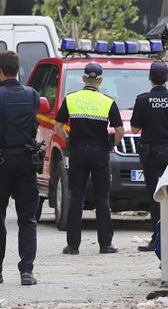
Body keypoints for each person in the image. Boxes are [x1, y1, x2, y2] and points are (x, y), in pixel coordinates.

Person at [0, 50, 41, 287]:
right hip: (27, 162)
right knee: (27, 219)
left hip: (2, 163)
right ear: (18, 70)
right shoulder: (32, 94)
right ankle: (26, 271)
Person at [56, 60, 124, 255]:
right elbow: (120, 131)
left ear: (83, 78)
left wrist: (69, 142)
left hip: (77, 151)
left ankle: (73, 246)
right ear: (100, 81)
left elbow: (58, 127)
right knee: (102, 198)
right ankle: (105, 244)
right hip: (99, 152)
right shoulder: (108, 102)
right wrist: (110, 145)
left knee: (76, 197)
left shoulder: (71, 99)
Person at [129, 60, 168, 257]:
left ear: (150, 78)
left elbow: (134, 129)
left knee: (156, 197)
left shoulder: (142, 100)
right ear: (167, 78)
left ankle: (157, 239)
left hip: (151, 155)